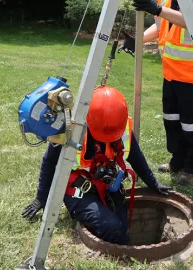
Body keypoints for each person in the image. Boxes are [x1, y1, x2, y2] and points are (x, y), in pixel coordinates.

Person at [21, 85, 172, 245]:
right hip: (80, 191)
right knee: (113, 230)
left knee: (123, 224)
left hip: (108, 185)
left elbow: (135, 156)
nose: (109, 137)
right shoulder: (70, 130)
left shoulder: (121, 126)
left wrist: (152, 182)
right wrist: (41, 198)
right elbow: (49, 162)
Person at [119, 0, 193, 185]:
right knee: (172, 122)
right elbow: (163, 25)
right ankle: (177, 161)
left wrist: (158, 10)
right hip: (171, 74)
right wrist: (138, 39)